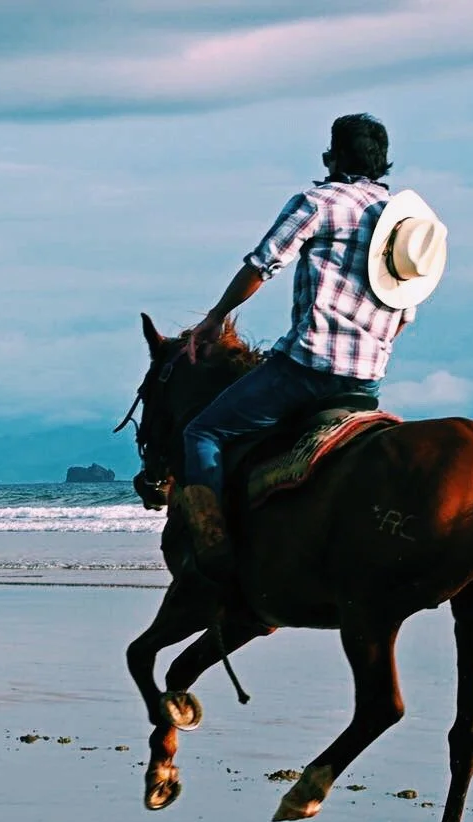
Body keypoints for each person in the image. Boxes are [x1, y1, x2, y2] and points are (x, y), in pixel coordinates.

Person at [177, 112, 447, 583]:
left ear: (332, 156)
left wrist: (215, 317)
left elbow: (262, 265)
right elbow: (405, 316)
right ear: (382, 162)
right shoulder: (405, 226)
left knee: (203, 432)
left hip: (307, 366)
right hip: (366, 383)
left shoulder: (318, 202)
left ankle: (212, 551)